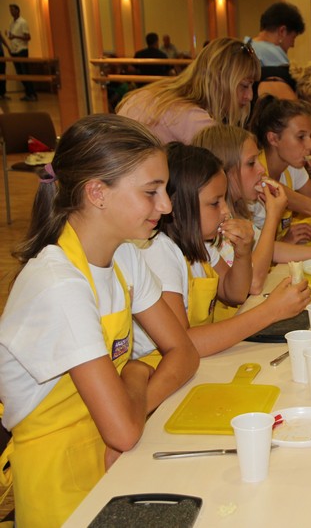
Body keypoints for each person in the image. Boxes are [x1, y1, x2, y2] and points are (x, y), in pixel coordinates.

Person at [0, 114, 199, 526]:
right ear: (97, 193)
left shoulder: (125, 255)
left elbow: (185, 352)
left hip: (117, 459)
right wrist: (138, 372)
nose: (166, 206)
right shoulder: (59, 284)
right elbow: (122, 430)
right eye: (151, 192)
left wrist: (132, 408)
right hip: (58, 485)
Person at [133, 143, 310, 360]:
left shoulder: (202, 242)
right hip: (156, 364)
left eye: (223, 200)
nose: (226, 211)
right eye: (214, 203)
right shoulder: (159, 251)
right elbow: (183, 343)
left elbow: (233, 293)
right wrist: (271, 311)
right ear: (178, 206)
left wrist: (243, 252)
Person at [193, 124, 311, 294]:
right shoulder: (211, 225)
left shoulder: (233, 215)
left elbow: (273, 250)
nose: (261, 169)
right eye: (251, 163)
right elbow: (253, 283)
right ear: (225, 172)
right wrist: (273, 215)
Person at [117, 37, 259, 144]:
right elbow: (235, 165)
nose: (249, 96)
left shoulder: (159, 94)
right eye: (244, 86)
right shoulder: (192, 118)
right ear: (219, 80)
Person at [248, 97, 311, 241]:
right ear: (273, 139)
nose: (310, 146)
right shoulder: (252, 172)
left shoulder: (292, 166)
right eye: (301, 137)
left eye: (310, 136)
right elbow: (267, 184)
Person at [7, 3, 36, 101]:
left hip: (22, 50)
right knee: (20, 74)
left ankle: (32, 94)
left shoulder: (23, 22)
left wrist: (15, 36)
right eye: (10, 10)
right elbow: (12, 36)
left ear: (17, 10)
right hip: (14, 51)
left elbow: (28, 37)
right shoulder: (11, 22)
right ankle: (28, 93)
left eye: (12, 10)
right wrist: (9, 36)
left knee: (25, 73)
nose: (11, 12)